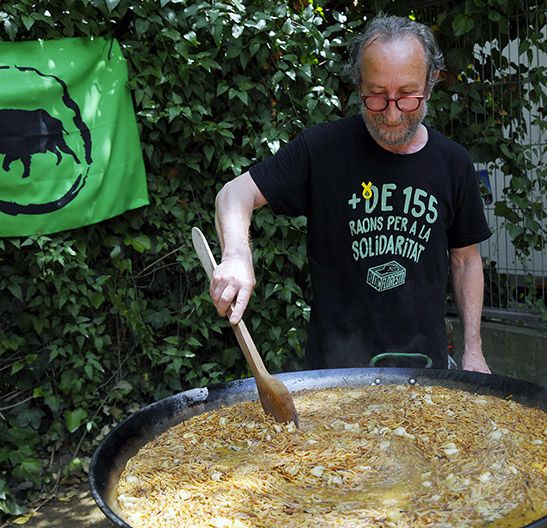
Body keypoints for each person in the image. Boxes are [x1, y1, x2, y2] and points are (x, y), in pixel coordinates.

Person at [211, 15, 492, 373]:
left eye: (407, 96)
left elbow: (466, 260)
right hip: (334, 376)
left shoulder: (452, 163)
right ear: (359, 85)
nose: (391, 114)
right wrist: (236, 255)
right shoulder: (323, 149)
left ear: (431, 82)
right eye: (375, 96)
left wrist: (474, 350)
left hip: (426, 371)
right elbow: (234, 193)